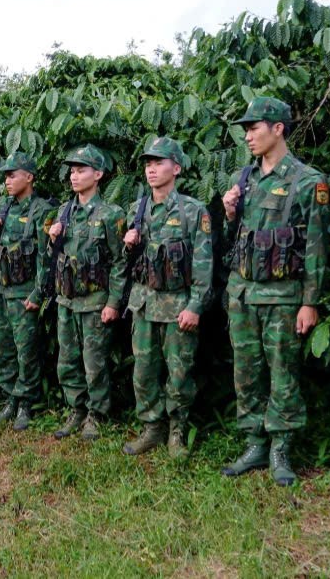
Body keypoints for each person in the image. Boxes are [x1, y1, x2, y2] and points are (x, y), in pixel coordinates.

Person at [219, 97, 328, 486]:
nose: (248, 136)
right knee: (246, 373)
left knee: (283, 373)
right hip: (244, 295)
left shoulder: (307, 181)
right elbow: (235, 241)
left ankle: (281, 447)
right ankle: (255, 444)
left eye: (254, 128)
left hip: (283, 297)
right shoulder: (243, 178)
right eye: (246, 129)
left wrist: (309, 303)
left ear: (278, 128)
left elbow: (315, 247)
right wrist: (230, 213)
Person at [122, 137, 213, 459]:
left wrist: (195, 305)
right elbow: (128, 264)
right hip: (144, 304)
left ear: (176, 168)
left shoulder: (192, 210)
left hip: (178, 307)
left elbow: (203, 264)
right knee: (143, 372)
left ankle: (177, 430)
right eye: (148, 163)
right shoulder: (137, 210)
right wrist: (128, 243)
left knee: (179, 375)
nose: (152, 169)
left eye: (159, 163)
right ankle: (151, 428)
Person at [47, 145, 127, 440]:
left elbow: (120, 262)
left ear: (98, 174)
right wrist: (52, 238)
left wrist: (114, 302)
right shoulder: (64, 211)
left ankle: (97, 414)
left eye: (81, 170)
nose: (74, 175)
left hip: (95, 302)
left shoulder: (111, 214)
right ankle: (76, 410)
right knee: (67, 362)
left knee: (94, 363)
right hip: (67, 300)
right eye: (72, 170)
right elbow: (56, 256)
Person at [0, 152, 53, 431]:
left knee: (26, 350)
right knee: (3, 349)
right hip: (2, 291)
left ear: (29, 176)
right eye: (5, 175)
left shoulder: (41, 209)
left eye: (12, 174)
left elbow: (45, 257)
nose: (7, 180)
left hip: (24, 293)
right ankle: (10, 399)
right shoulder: (3, 206)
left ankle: (26, 403)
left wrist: (38, 294)